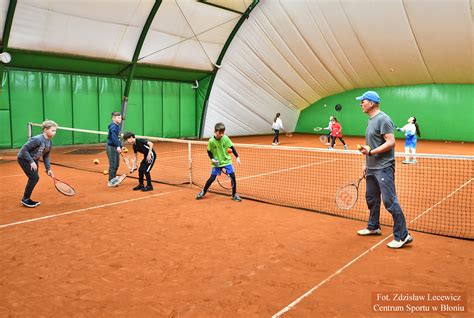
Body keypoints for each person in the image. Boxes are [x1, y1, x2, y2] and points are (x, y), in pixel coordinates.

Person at [356, 91, 413, 249]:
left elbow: (391, 142)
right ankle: (373, 227)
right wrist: (365, 163)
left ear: (372, 103)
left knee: (390, 201)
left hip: (384, 168)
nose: (361, 103)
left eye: (363, 101)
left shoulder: (383, 119)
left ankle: (403, 235)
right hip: (372, 168)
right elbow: (370, 145)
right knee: (372, 199)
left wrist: (371, 153)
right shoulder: (370, 120)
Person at [196, 123, 242, 201]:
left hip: (226, 161)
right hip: (216, 162)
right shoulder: (211, 141)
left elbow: (232, 147)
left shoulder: (225, 138)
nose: (221, 134)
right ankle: (203, 191)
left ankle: (234, 194)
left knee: (233, 177)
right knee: (212, 178)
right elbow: (209, 151)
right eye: (219, 133)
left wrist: (237, 157)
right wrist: (212, 159)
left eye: (222, 133)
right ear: (215, 131)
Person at [17, 120, 57, 208]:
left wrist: (48, 169)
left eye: (55, 131)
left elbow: (46, 156)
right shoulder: (37, 139)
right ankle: (25, 199)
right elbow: (24, 150)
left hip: (34, 159)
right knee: (34, 178)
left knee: (34, 178)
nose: (54, 133)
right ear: (45, 130)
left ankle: (26, 198)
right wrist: (31, 162)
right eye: (52, 130)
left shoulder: (50, 143)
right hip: (24, 158)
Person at [107, 112, 123, 187]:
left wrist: (120, 145)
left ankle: (113, 180)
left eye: (120, 117)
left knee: (117, 164)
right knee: (113, 165)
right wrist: (118, 146)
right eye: (118, 117)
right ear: (113, 118)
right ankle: (111, 181)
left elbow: (117, 138)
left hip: (115, 147)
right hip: (111, 147)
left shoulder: (117, 126)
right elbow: (113, 137)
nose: (120, 119)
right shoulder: (113, 126)